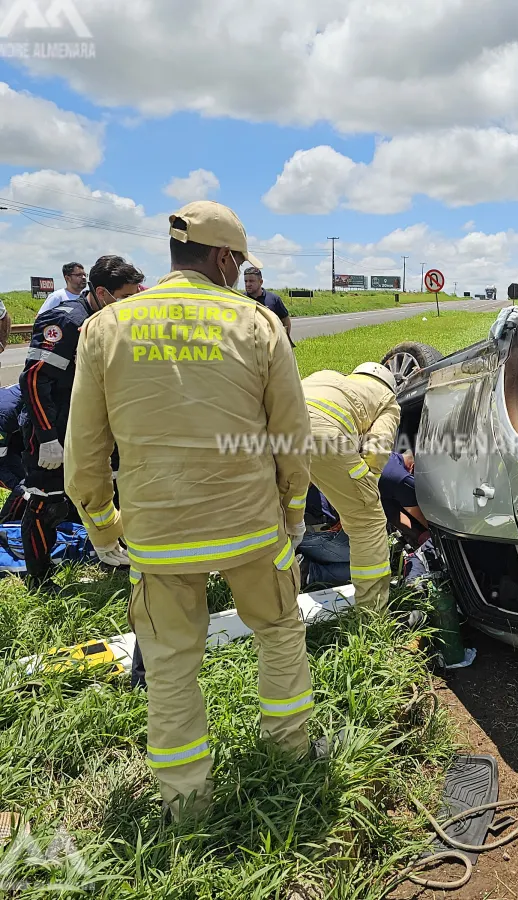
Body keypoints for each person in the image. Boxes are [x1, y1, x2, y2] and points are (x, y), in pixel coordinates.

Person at [64, 200, 316, 821]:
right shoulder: (257, 324)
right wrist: (294, 509)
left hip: (158, 533)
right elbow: (291, 433)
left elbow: (86, 449)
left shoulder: (105, 327)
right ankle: (291, 754)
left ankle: (186, 806)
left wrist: (102, 524)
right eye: (238, 262)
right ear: (225, 257)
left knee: (173, 665)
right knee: (279, 633)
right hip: (252, 523)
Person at [19, 256, 143, 590]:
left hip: (96, 428)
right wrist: (46, 436)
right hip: (55, 428)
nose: (132, 303)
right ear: (103, 293)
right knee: (48, 501)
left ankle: (114, 554)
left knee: (110, 491)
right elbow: (33, 380)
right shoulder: (67, 322)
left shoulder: (115, 324)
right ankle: (40, 580)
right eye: (127, 297)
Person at [302, 363, 400, 611]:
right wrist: (364, 492)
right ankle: (373, 612)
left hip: (271, 431)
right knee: (368, 522)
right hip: (324, 437)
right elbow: (376, 452)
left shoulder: (327, 375)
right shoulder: (387, 400)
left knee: (279, 516)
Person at [0, 385, 26, 522]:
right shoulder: (5, 415)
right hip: (7, 430)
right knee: (23, 484)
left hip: (14, 435)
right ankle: (6, 522)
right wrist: (20, 489)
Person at [244, 267, 292, 341]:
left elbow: (285, 319)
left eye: (251, 281)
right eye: (246, 281)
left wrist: (285, 339)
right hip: (248, 344)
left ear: (261, 282)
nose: (248, 284)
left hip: (270, 344)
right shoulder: (241, 299)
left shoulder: (274, 299)